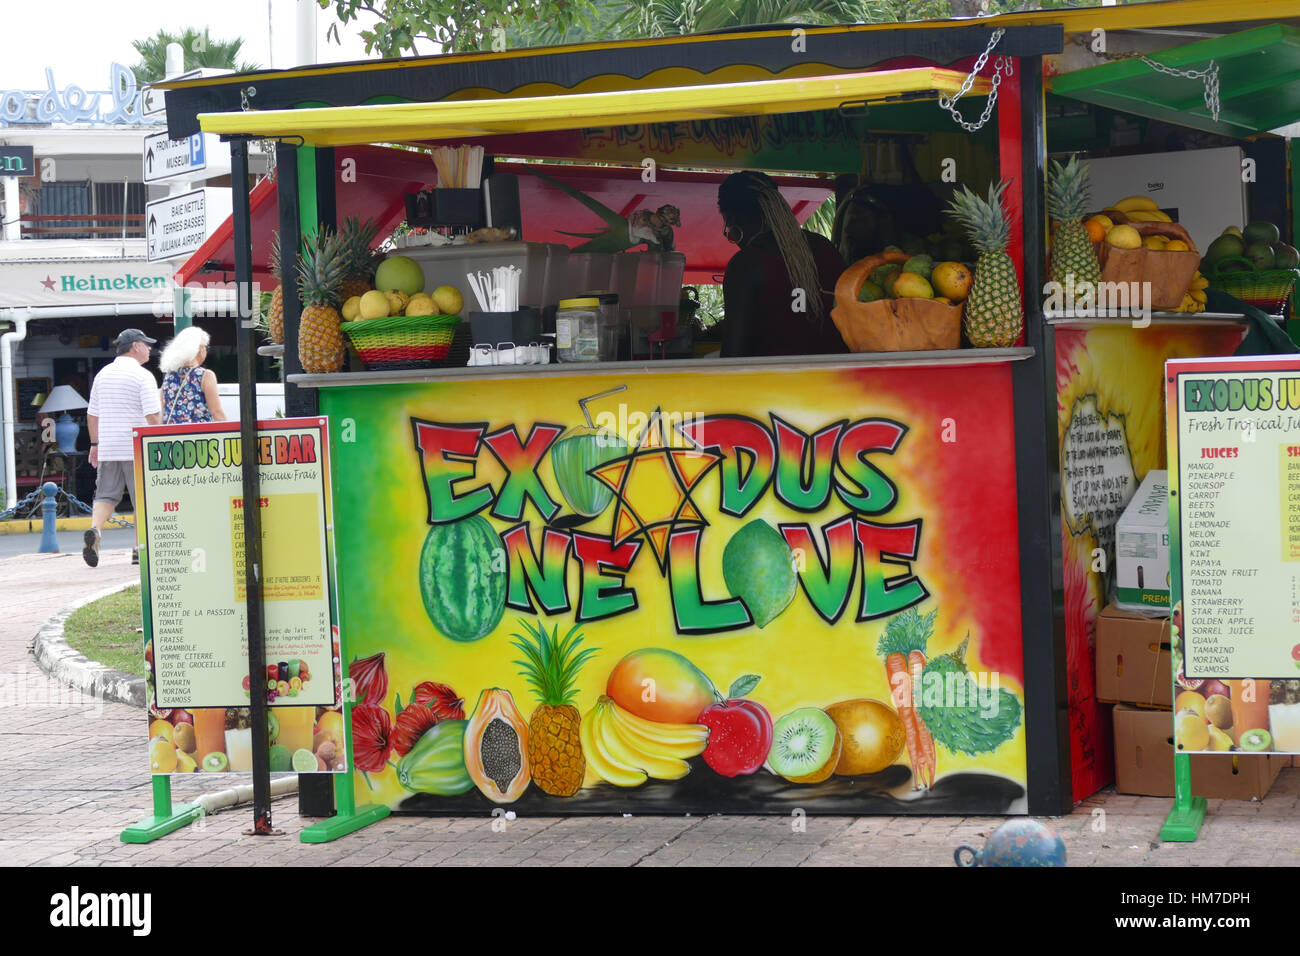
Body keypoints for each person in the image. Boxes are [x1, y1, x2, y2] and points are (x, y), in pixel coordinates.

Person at [717, 171, 848, 357]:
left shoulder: (746, 263)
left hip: (775, 382)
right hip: (838, 379)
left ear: (733, 220)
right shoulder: (825, 248)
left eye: (729, 231)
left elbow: (733, 352)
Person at [84, 329, 162, 567]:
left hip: (108, 445)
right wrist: (160, 439)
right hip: (136, 446)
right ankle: (139, 548)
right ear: (135, 346)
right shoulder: (143, 375)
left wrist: (95, 444)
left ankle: (95, 531)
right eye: (146, 344)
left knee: (105, 495)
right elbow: (152, 416)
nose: (150, 349)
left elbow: (92, 415)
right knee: (142, 497)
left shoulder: (102, 374)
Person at [159, 326, 227, 424]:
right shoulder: (205, 375)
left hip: (172, 436)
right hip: (199, 436)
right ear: (200, 349)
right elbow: (216, 412)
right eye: (206, 347)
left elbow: (163, 412)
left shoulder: (168, 377)